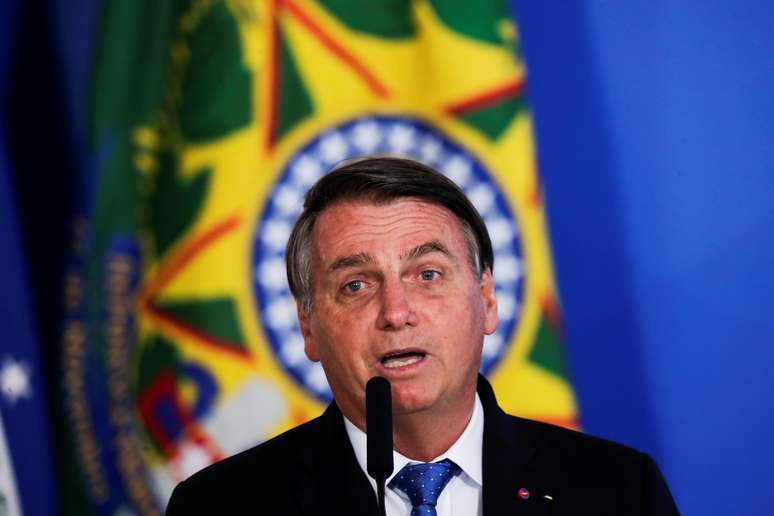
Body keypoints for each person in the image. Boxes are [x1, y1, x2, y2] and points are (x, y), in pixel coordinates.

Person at [166, 157, 679, 515]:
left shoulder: (619, 492)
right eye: (356, 285)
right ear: (308, 327)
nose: (396, 313)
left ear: (489, 301)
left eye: (427, 275)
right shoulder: (218, 505)